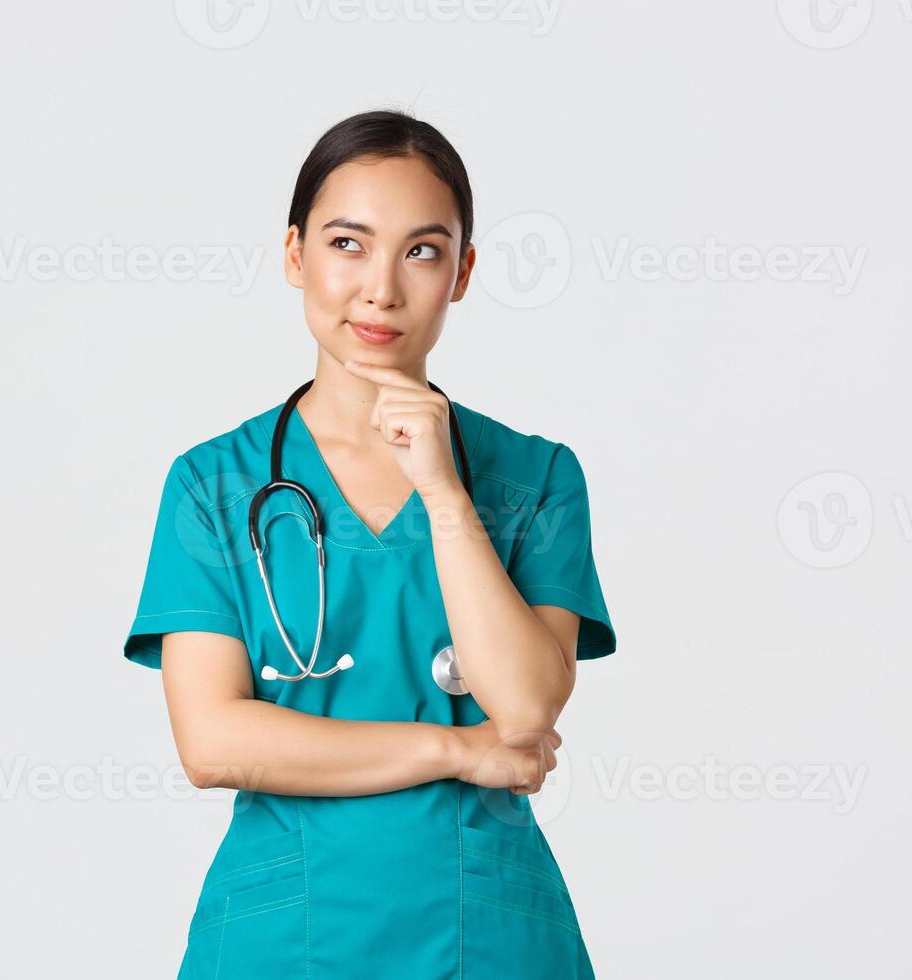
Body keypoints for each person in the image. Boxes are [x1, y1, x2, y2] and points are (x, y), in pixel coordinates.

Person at [123, 109, 618, 979]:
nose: (380, 288)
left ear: (462, 273)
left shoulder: (533, 479)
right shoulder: (213, 484)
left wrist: (441, 489)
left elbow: (529, 707)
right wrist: (456, 748)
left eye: (422, 252)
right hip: (284, 939)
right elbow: (212, 742)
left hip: (489, 936)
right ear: (294, 256)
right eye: (347, 244)